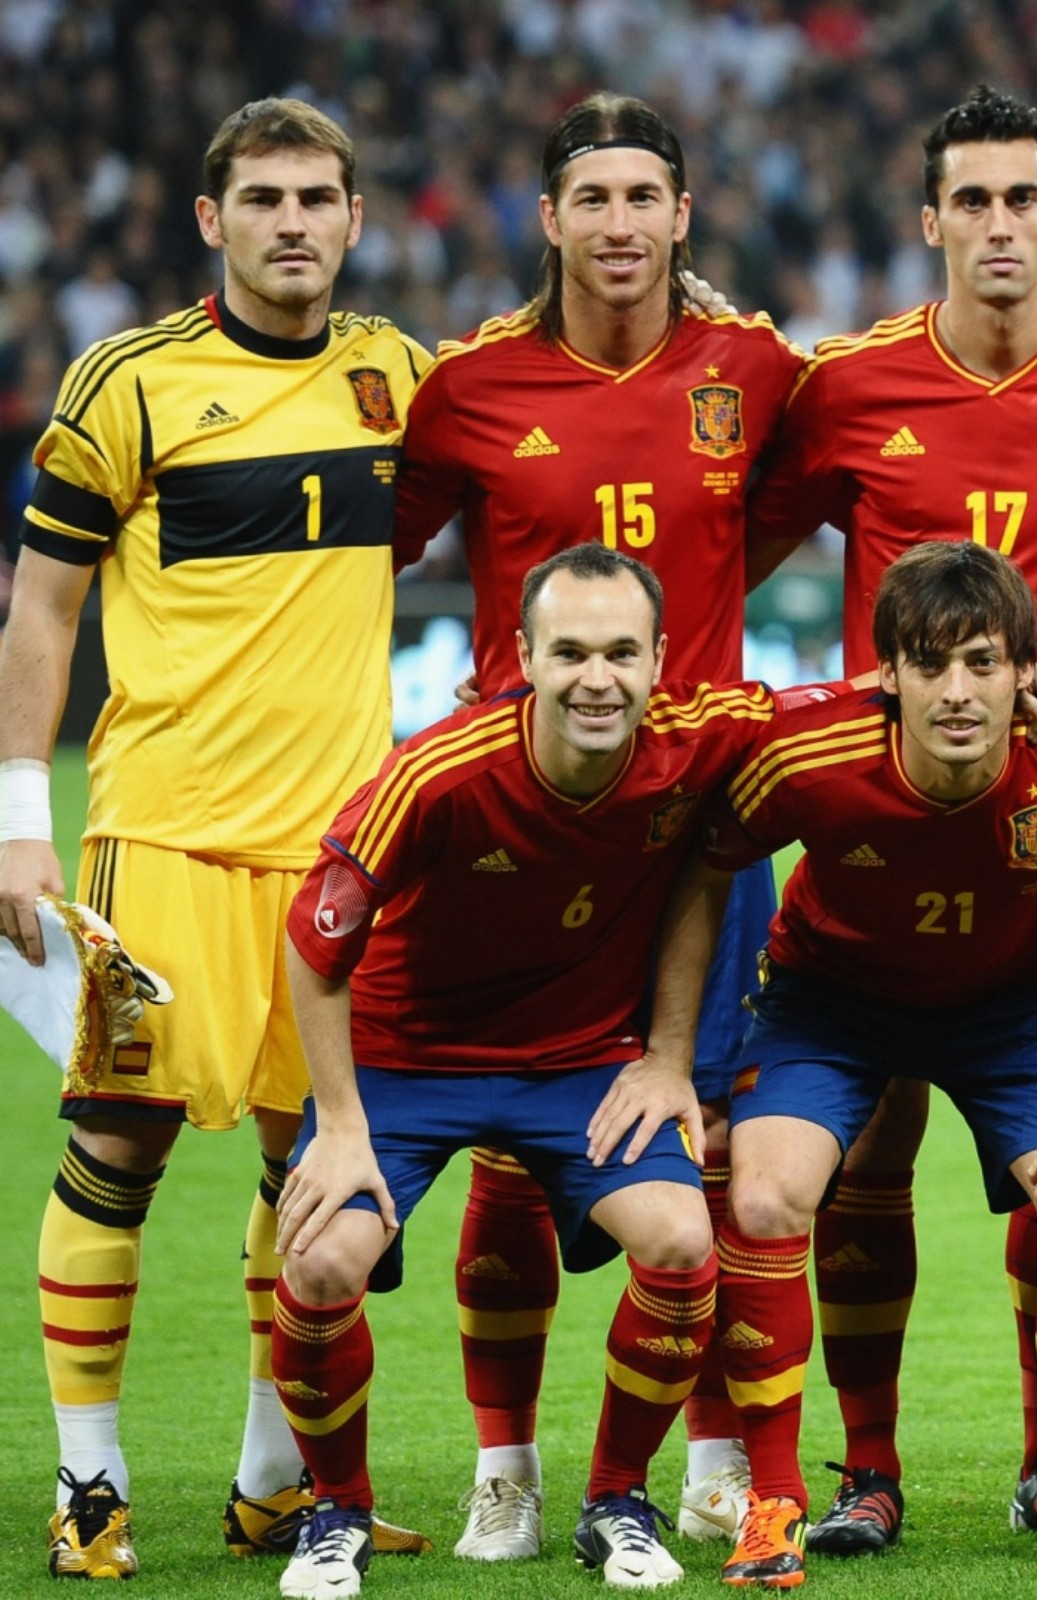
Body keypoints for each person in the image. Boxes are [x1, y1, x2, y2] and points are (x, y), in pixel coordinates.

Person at [746, 84, 1037, 1549]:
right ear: (930, 220)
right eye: (972, 201)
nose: (999, 225)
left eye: (1022, 198)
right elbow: (727, 540)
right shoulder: (849, 385)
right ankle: (863, 1470)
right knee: (863, 1161)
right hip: (892, 814)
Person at [0, 98, 433, 1577]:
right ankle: (90, 1486)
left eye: (316, 198)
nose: (291, 223)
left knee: (305, 1171)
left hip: (333, 855)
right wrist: (19, 822)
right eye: (262, 199)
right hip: (162, 838)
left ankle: (273, 1483)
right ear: (212, 220)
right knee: (113, 1150)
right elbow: (42, 609)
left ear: (355, 218)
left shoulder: (397, 378)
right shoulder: (128, 383)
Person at [389, 90, 809, 1556]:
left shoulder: (756, 368)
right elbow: (368, 553)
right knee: (516, 1147)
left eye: (644, 197)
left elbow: (796, 505)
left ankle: (711, 1455)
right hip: (530, 828)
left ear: (683, 215)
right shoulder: (468, 384)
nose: (620, 224)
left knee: (709, 1138)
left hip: (703, 825)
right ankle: (504, 1467)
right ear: (549, 219)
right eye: (593, 198)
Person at [268, 544, 774, 1596]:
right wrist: (342, 1124)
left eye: (622, 653)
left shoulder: (693, 745)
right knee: (317, 1266)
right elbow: (314, 945)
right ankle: (336, 1513)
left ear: (660, 659)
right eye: (571, 652)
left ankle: (616, 1500)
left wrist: (668, 1055)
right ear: (523, 658)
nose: (599, 679)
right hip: (405, 1062)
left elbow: (864, 705)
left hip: (578, 1064)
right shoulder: (437, 773)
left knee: (684, 1244)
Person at [696, 542, 1037, 1585]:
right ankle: (786, 1497)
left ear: (1026, 673)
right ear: (887, 675)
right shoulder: (808, 750)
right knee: (765, 1197)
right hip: (830, 1005)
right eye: (931, 664)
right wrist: (663, 1055)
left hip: (1006, 1008)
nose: (957, 691)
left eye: (983, 663)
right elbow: (704, 859)